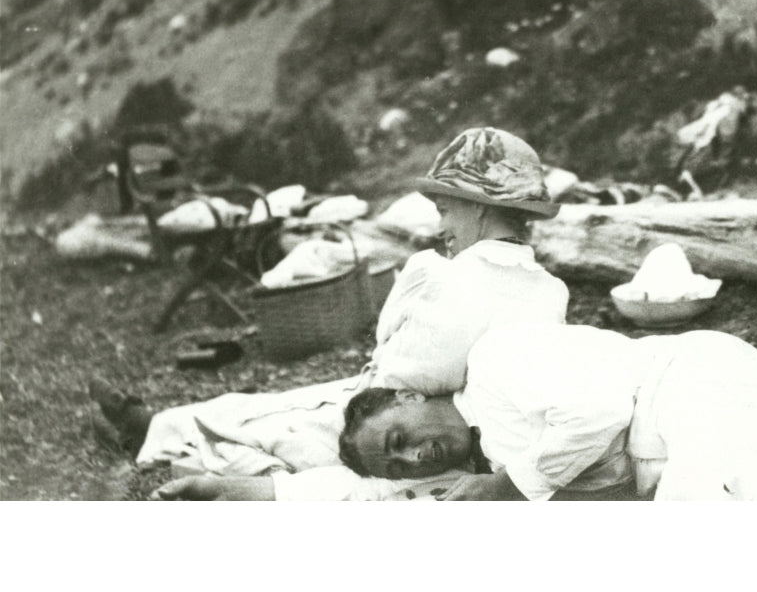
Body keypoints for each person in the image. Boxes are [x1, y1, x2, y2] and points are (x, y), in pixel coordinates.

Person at [98, 127, 569, 501]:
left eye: (446, 210)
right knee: (278, 407)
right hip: (447, 421)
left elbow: (401, 374)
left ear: (480, 208)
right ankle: (155, 425)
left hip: (414, 423)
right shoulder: (549, 289)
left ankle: (155, 432)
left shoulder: (453, 279)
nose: (442, 226)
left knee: (270, 423)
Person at [328, 323, 757, 501]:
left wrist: (509, 487)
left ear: (410, 396)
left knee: (709, 492)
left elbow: (598, 411)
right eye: (398, 465)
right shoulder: (486, 465)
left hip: (689, 379)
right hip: (675, 443)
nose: (413, 456)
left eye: (398, 437)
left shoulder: (494, 363)